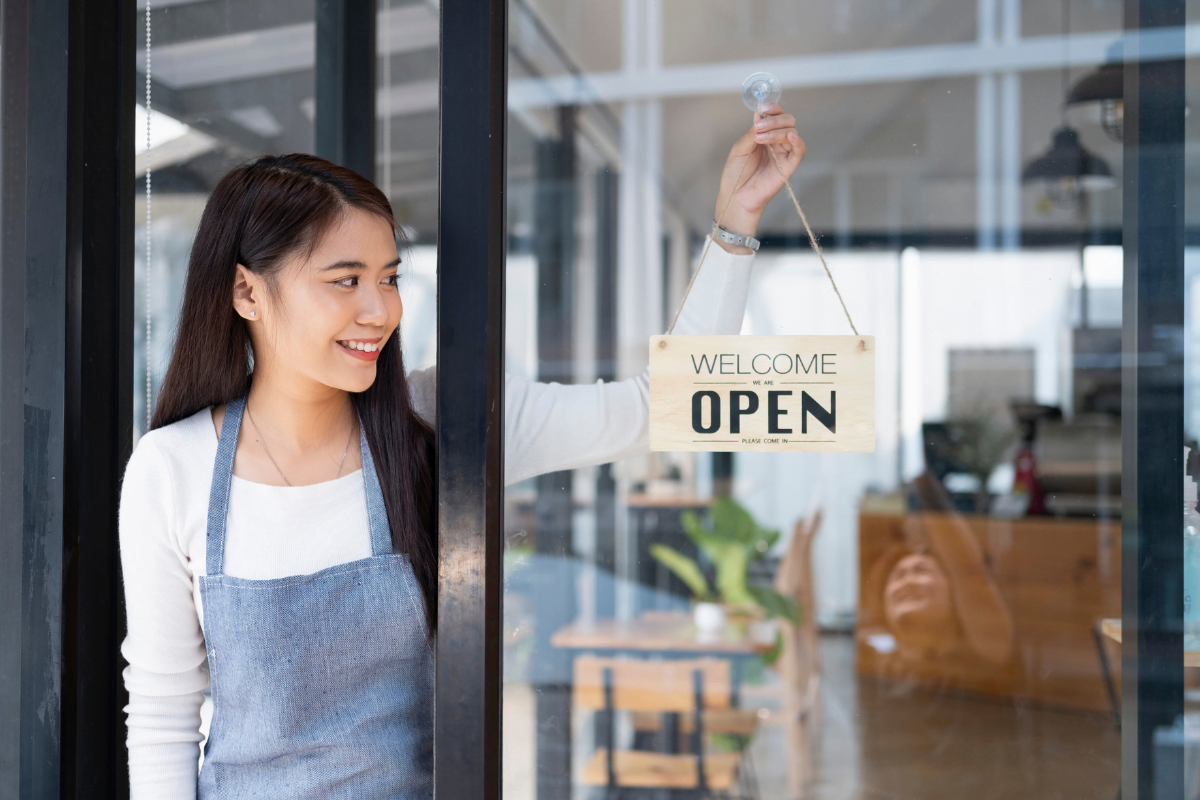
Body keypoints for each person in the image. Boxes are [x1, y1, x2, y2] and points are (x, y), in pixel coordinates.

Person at [119, 104, 805, 798]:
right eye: (345, 279)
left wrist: (732, 226)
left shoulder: (438, 420)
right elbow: (162, 715)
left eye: (388, 277)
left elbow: (657, 407)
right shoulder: (171, 468)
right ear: (246, 291)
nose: (381, 309)